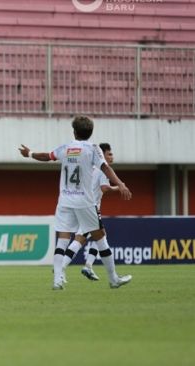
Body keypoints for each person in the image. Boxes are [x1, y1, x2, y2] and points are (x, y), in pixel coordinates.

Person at [19, 116, 133, 290]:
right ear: (91, 132)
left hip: (65, 200)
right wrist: (121, 184)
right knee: (100, 237)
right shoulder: (93, 149)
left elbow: (47, 156)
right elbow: (106, 168)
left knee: (62, 239)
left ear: (74, 131)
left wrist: (29, 153)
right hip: (85, 201)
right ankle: (113, 279)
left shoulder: (66, 147)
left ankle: (57, 280)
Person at [80, 143, 119, 281]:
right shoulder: (103, 170)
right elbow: (104, 188)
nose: (112, 156)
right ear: (102, 155)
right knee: (89, 238)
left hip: (85, 206)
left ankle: (88, 266)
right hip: (92, 208)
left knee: (94, 237)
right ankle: (62, 267)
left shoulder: (92, 168)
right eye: (109, 153)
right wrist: (118, 187)